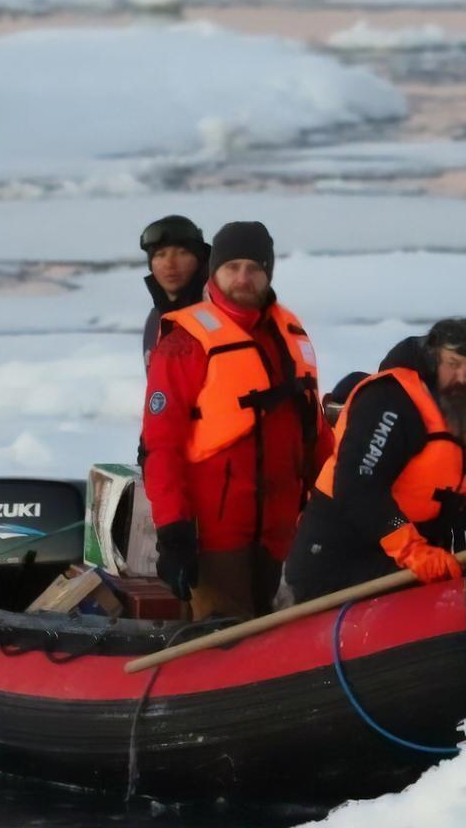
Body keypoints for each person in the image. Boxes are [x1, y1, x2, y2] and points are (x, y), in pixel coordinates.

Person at [141, 221, 331, 620]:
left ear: (269, 272)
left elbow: (315, 431)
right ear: (214, 272)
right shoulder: (184, 343)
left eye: (254, 268)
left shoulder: (288, 334)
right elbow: (160, 447)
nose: (243, 278)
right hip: (216, 536)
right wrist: (173, 532)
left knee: (275, 631)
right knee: (224, 639)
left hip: (281, 533)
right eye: (232, 267)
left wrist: (338, 504)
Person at [284, 319, 466, 603]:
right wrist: (411, 550)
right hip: (340, 561)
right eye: (453, 364)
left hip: (410, 565)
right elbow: (358, 485)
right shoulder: (391, 399)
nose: (462, 378)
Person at [138, 215, 210, 369]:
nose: (170, 264)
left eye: (182, 253)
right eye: (160, 254)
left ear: (200, 259)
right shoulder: (155, 321)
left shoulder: (219, 314)